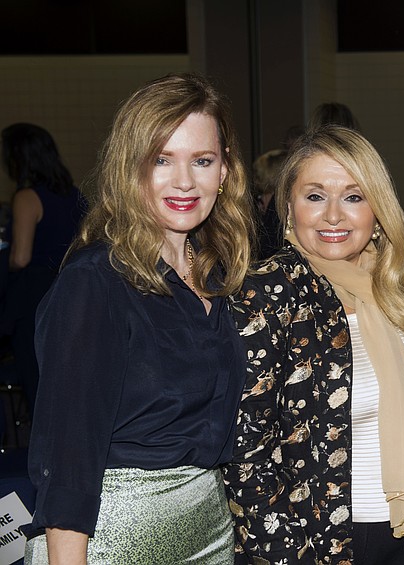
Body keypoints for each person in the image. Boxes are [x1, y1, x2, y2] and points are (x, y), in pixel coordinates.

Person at [23, 72, 254, 564]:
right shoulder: (96, 282)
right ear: (131, 168)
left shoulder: (217, 276)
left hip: (210, 534)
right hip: (114, 540)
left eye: (202, 160)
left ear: (225, 171)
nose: (185, 182)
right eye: (161, 160)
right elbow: (67, 457)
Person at [223, 125, 404, 564]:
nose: (333, 215)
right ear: (288, 207)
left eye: (353, 196)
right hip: (319, 541)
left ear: (377, 209)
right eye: (315, 196)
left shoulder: (401, 289)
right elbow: (243, 452)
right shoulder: (269, 295)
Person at [0, 123, 87, 415]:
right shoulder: (75, 195)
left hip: (34, 299)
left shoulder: (27, 197)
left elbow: (21, 258)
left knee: (37, 385)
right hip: (73, 295)